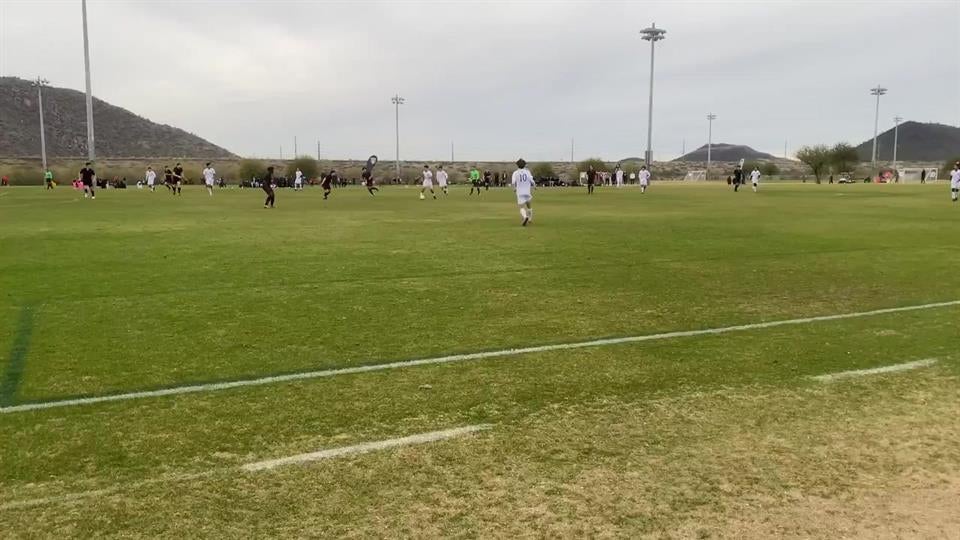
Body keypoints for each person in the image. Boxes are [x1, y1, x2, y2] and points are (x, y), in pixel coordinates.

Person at [511, 158, 535, 226]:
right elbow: (531, 180)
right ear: (524, 165)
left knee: (521, 206)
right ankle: (529, 219)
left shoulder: (515, 173)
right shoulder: (527, 172)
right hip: (527, 191)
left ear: (517, 165)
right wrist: (534, 186)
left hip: (520, 191)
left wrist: (514, 188)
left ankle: (525, 217)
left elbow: (513, 182)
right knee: (529, 205)